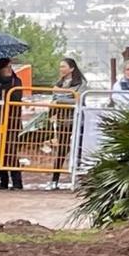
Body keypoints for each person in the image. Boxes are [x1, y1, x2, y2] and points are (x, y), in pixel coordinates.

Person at [47, 58, 86, 190]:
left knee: (79, 149)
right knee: (62, 149)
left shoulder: (81, 83)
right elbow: (54, 99)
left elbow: (78, 100)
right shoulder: (59, 83)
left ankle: (79, 179)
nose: (61, 69)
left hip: (76, 120)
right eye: (60, 67)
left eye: (63, 66)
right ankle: (55, 180)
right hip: (62, 121)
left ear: (72, 68)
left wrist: (61, 99)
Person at [0, 58, 23, 190]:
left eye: (10, 66)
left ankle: (17, 182)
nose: (9, 69)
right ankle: (3, 181)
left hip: (12, 120)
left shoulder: (16, 81)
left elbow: (16, 97)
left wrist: (2, 95)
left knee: (10, 150)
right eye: (6, 67)